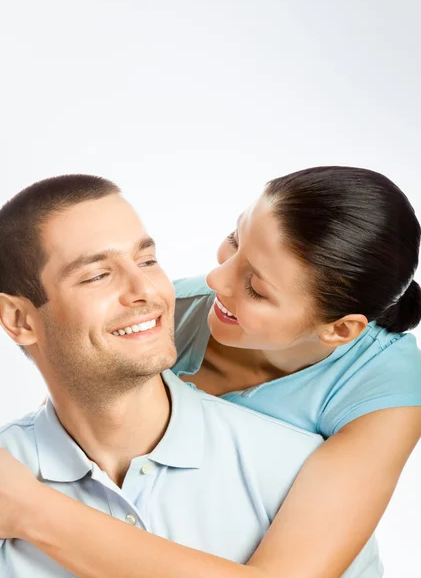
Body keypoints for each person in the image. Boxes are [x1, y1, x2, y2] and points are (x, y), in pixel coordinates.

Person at [0, 167, 420, 577]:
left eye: (256, 288)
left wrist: (31, 510)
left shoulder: (381, 391)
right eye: (234, 241)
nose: (216, 279)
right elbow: (80, 393)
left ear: (339, 330)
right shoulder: (169, 309)